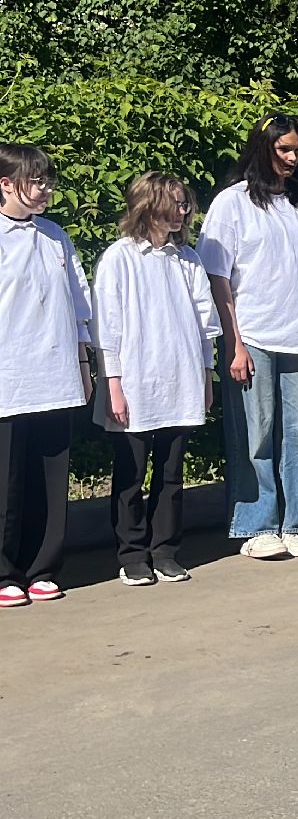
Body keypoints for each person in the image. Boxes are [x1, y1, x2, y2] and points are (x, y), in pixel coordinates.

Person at [200, 114, 298, 561]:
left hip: (297, 338)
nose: (292, 159)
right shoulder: (232, 203)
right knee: (256, 435)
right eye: (283, 150)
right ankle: (256, 526)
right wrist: (233, 343)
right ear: (263, 149)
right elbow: (218, 277)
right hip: (252, 336)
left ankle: (292, 524)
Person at [94, 173, 222, 585]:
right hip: (133, 381)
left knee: (171, 473)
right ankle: (131, 553)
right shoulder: (119, 257)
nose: (184, 212)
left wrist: (205, 375)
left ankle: (165, 549)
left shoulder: (188, 259)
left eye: (186, 204)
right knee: (130, 474)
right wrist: (113, 383)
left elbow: (206, 324)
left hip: (180, 378)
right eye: (177, 204)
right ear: (149, 206)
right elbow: (107, 327)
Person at [0, 144, 92, 607]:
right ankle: (4, 572)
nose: (45, 190)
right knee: (7, 480)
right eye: (36, 182)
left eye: (48, 182)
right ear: (6, 184)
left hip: (55, 374)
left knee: (50, 478)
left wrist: (82, 364)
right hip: (7, 378)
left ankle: (42, 567)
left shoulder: (56, 236)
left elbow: (78, 307)